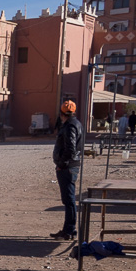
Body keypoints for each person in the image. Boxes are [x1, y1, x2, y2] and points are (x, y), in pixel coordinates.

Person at [50, 100, 83, 241]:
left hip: (68, 167)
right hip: (71, 165)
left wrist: (62, 164)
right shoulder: (76, 124)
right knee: (68, 199)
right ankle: (67, 229)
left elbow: (70, 148)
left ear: (62, 114)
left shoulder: (70, 127)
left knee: (68, 199)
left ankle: (69, 230)